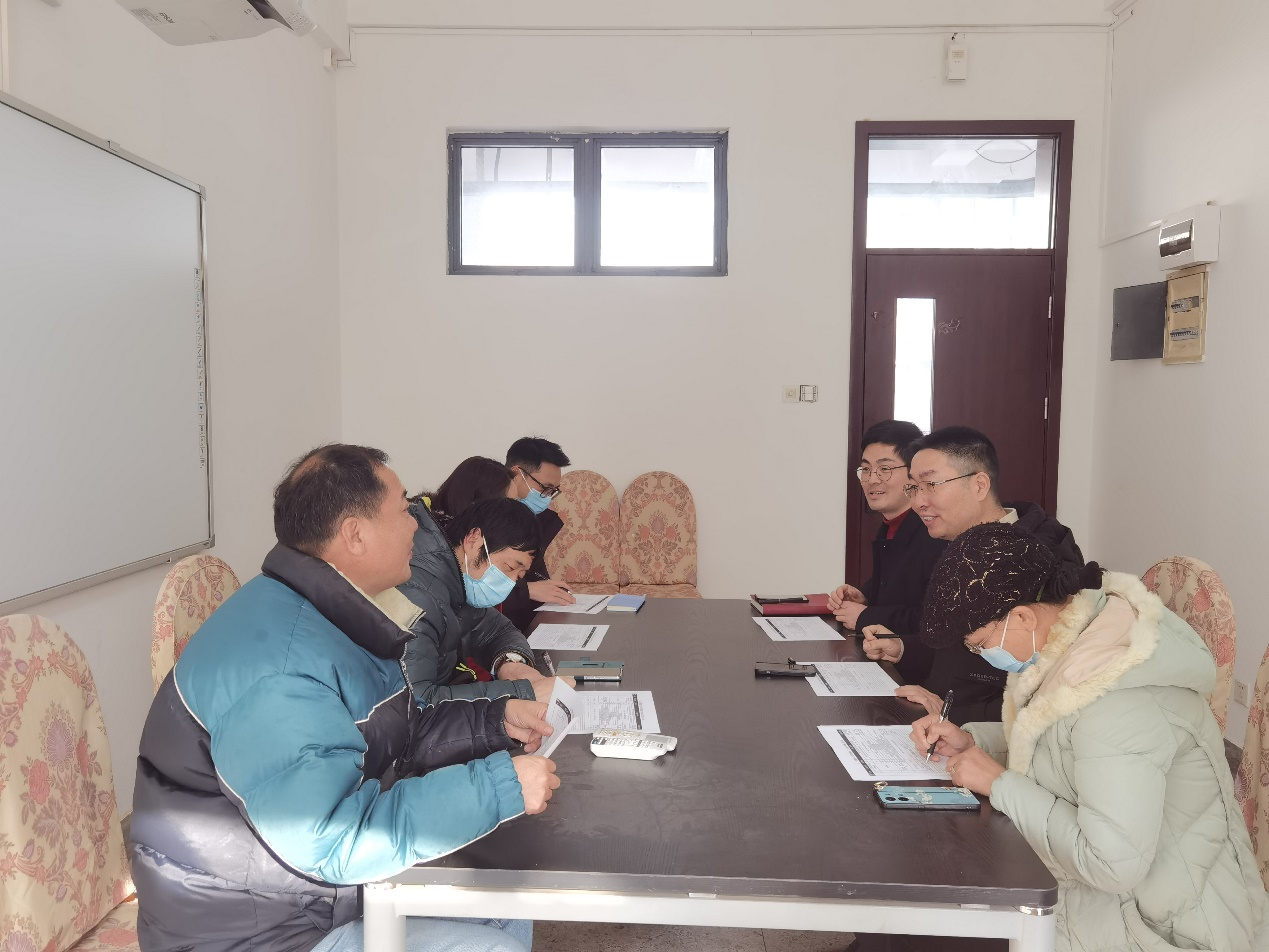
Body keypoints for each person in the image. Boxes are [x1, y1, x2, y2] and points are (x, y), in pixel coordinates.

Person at [131, 444, 560, 952]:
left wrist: (496, 720)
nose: (418, 523)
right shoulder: (280, 667)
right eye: (403, 509)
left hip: (302, 895)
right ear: (355, 534)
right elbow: (332, 838)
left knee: (507, 904)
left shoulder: (335, 614)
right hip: (254, 930)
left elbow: (400, 730)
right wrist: (497, 787)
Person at [911, 523, 1266, 952]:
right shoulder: (1075, 641)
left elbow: (1110, 863)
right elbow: (1061, 744)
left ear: (1022, 617)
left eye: (981, 644)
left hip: (1167, 927)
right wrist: (974, 744)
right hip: (1121, 901)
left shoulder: (1118, 696)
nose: (983, 656)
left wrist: (1000, 783)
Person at [862, 426, 1086, 723]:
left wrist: (947, 713)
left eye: (931, 485)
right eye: (913, 487)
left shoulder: (1036, 559)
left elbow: (1044, 693)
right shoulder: (965, 548)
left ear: (979, 485)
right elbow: (959, 652)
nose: (918, 502)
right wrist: (903, 648)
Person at [400, 496, 564, 705]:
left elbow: (499, 631)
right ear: (474, 539)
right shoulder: (418, 597)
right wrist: (518, 692)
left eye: (519, 576)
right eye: (510, 567)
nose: (511, 582)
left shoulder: (459, 583)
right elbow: (415, 704)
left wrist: (511, 664)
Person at [827, 420, 946, 634]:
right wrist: (865, 597)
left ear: (914, 473)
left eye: (885, 469)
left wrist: (866, 616)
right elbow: (897, 592)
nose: (872, 479)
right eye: (866, 469)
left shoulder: (935, 531)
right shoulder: (891, 525)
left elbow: (936, 619)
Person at [502, 437, 576, 629]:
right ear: (516, 474)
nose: (547, 498)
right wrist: (526, 591)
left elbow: (537, 580)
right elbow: (473, 591)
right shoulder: (486, 521)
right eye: (545, 488)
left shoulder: (535, 521)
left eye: (553, 491)